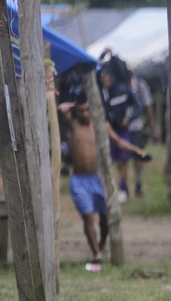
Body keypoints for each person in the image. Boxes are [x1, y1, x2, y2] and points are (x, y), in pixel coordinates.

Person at [58, 88, 150, 272]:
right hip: (79, 180)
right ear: (76, 111)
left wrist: (137, 151)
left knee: (105, 217)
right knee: (88, 216)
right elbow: (61, 109)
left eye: (87, 109)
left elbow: (118, 142)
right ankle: (96, 254)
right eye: (81, 110)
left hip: (99, 178)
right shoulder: (71, 127)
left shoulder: (101, 126)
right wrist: (74, 105)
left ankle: (101, 244)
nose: (84, 114)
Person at [98, 58, 141, 203]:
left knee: (123, 161)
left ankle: (123, 188)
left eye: (107, 78)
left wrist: (129, 119)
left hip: (122, 131)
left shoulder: (123, 90)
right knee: (110, 161)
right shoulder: (102, 93)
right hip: (109, 132)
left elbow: (138, 106)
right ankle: (111, 190)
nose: (105, 81)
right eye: (103, 79)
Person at [127, 71, 158, 197]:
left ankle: (138, 184)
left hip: (136, 127)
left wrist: (153, 127)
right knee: (122, 159)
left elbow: (148, 107)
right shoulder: (118, 84)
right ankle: (124, 187)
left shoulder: (140, 85)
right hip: (122, 127)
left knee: (137, 156)